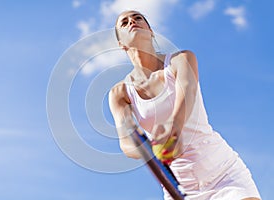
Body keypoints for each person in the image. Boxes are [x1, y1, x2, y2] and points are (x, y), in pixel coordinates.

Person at [108, 10, 261, 200]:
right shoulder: (120, 94)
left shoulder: (181, 60)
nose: (132, 21)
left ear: (151, 31)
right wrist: (149, 147)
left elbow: (187, 94)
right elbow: (126, 143)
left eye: (138, 18)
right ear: (121, 44)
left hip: (222, 173)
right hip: (180, 187)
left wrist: (174, 129)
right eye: (124, 22)